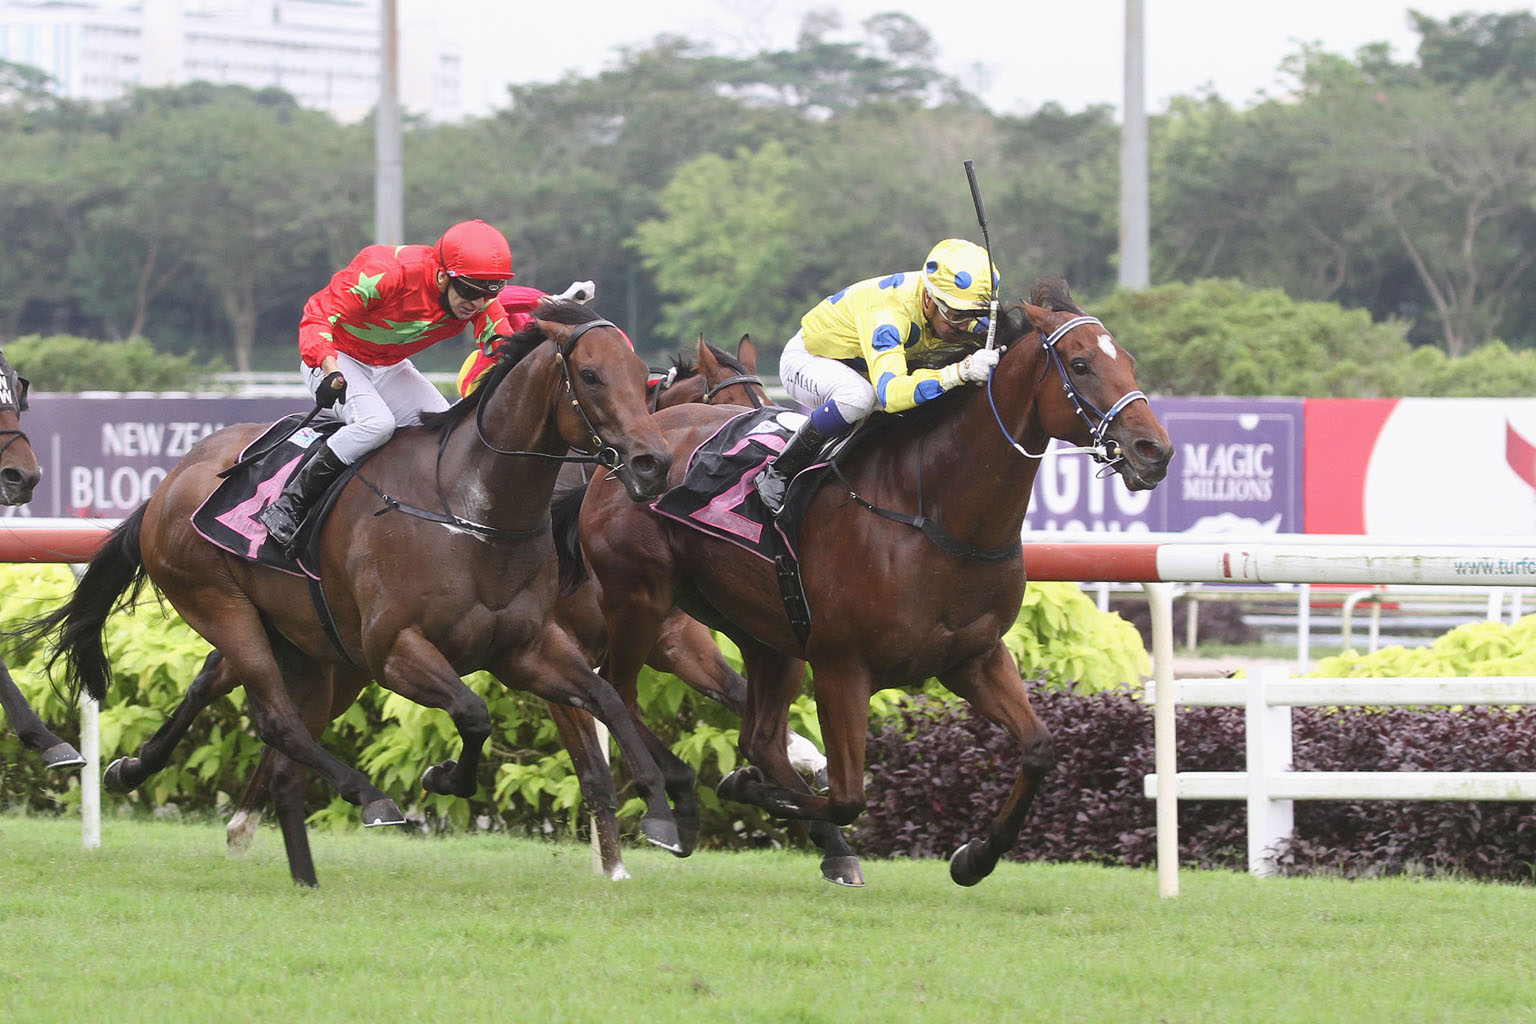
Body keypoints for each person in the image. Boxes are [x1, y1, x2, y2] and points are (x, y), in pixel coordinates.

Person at [254, 219, 525, 548]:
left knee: (448, 436)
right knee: (376, 424)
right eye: (469, 290)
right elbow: (318, 314)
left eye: (490, 292)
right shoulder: (387, 271)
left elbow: (507, 354)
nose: (477, 303)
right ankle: (289, 505)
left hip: (389, 366)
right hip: (335, 358)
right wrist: (329, 369)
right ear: (442, 276)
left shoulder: (478, 301)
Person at [754, 237, 1002, 514]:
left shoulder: (960, 312)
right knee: (859, 398)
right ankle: (778, 472)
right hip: (811, 359)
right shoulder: (889, 315)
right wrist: (961, 371)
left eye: (975, 316)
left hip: (869, 369)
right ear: (929, 299)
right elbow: (893, 395)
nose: (966, 326)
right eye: (956, 316)